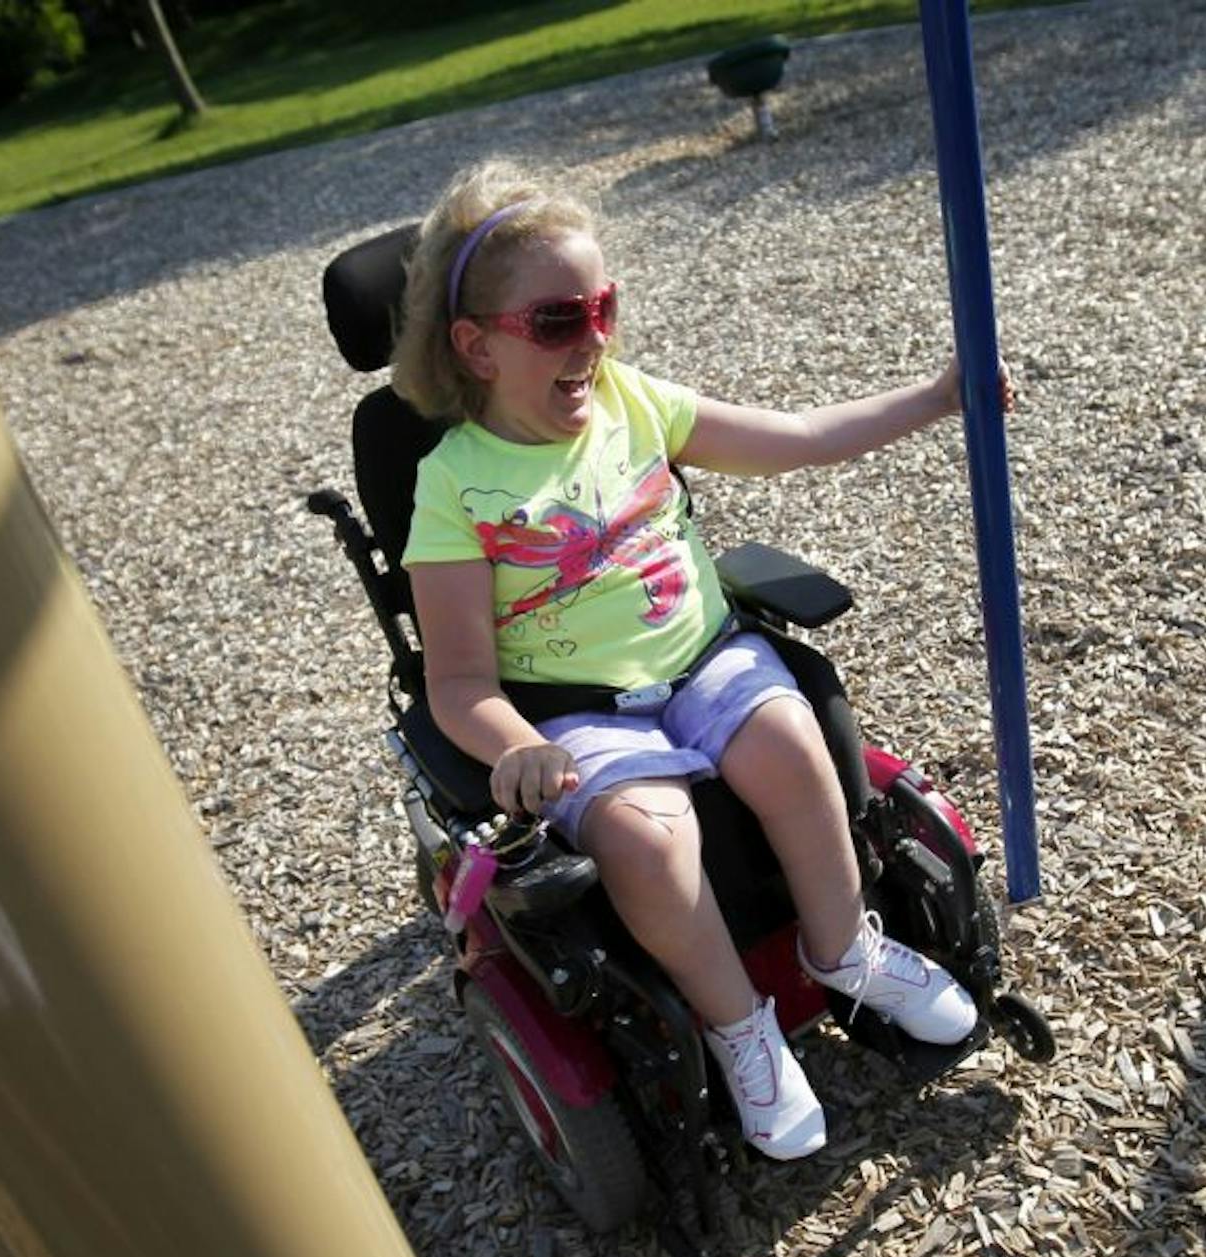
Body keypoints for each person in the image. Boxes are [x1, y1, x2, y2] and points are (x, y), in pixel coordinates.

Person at [393, 160, 1007, 1160]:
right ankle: (741, 1029)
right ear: (475, 347)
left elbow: (800, 439)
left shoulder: (632, 400)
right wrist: (511, 746)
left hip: (702, 656)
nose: (592, 336)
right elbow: (457, 681)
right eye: (556, 321)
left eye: (603, 307)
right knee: (652, 844)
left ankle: (844, 947)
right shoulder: (454, 486)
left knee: (795, 746)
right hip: (577, 707)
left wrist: (940, 398)